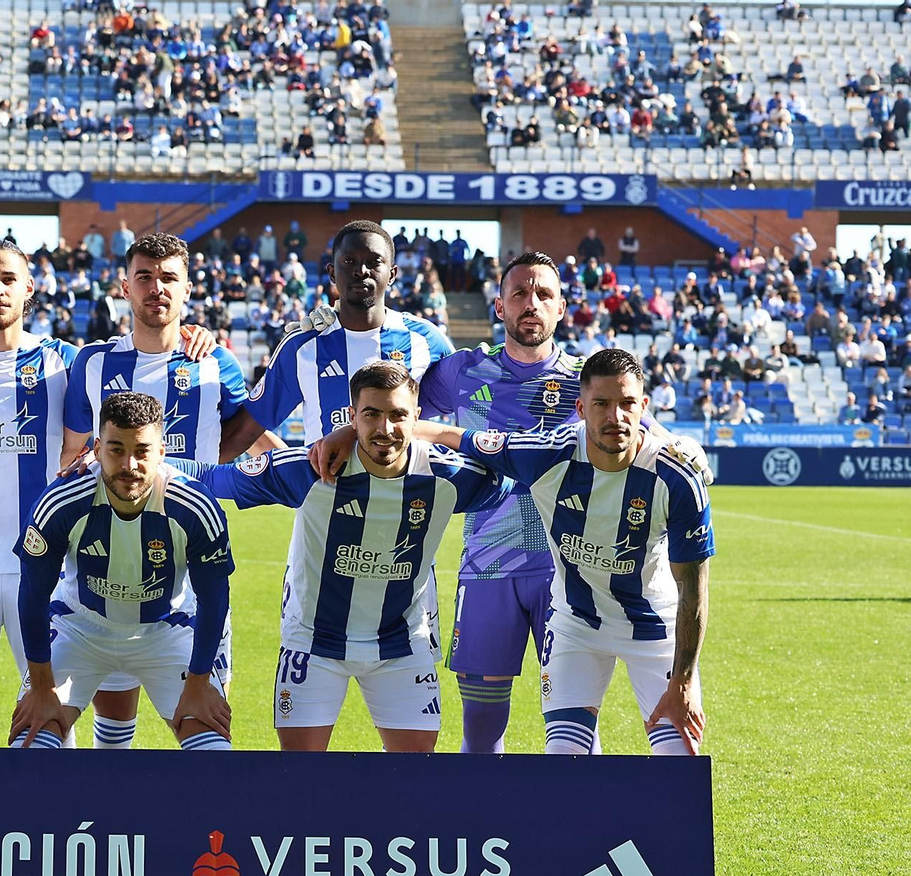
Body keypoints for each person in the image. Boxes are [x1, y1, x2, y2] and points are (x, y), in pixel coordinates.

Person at [306, 252, 713, 754]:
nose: (531, 303)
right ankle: (485, 832)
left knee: (574, 727)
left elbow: (646, 433)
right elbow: (396, 409)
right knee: (481, 727)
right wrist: (350, 430)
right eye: (519, 293)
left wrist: (683, 444)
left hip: (569, 577)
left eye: (543, 294)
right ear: (498, 305)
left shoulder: (589, 381)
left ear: (562, 307)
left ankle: (579, 827)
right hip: (487, 568)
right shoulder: (460, 371)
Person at [0, 241, 214, 746]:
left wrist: (187, 334)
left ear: (29, 287)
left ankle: (66, 823)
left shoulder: (65, 362)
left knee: (50, 715)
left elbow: (135, 370)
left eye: (8, 278)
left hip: (51, 569)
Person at [194, 360, 511, 753]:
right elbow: (208, 478)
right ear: (352, 416)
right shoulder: (310, 471)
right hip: (314, 640)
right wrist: (121, 465)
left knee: (412, 780)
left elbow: (514, 469)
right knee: (301, 778)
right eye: (371, 415)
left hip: (402, 642)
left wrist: (429, 432)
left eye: (398, 415)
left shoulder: (449, 477)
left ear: (416, 417)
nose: (385, 428)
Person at [412, 348, 715, 757]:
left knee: (681, 757)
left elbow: (694, 593)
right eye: (601, 405)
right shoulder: (545, 454)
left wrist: (682, 683)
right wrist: (350, 433)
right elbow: (457, 436)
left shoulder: (677, 478)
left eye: (627, 404)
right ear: (580, 408)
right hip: (578, 626)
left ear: (643, 407)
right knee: (566, 763)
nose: (615, 417)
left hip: (653, 629)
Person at [59, 232, 278, 746]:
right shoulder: (93, 363)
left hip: (191, 565)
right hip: (103, 557)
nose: (156, 288)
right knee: (113, 723)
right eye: (145, 277)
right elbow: (71, 454)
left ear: (187, 290)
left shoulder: (214, 361)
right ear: (124, 287)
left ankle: (204, 829)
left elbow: (247, 437)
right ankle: (107, 823)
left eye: (169, 279)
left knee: (202, 720)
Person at [10, 392, 234, 751]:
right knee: (30, 745)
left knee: (213, 752)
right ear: (96, 449)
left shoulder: (194, 505)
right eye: (116, 449)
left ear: (162, 451)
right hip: (80, 628)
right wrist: (40, 688)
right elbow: (34, 597)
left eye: (142, 451)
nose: (129, 463)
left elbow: (214, 598)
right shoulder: (61, 502)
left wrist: (197, 683)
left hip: (167, 629)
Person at [218, 221, 454, 456]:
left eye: (374, 262)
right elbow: (244, 432)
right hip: (328, 491)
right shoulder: (303, 346)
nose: (361, 271)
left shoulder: (426, 340)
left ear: (392, 274)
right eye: (349, 261)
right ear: (331, 272)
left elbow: (469, 408)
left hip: (409, 491)